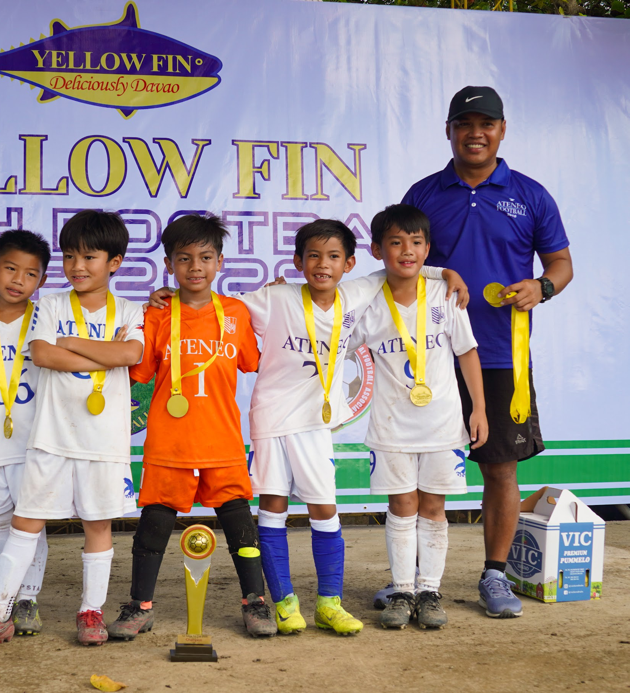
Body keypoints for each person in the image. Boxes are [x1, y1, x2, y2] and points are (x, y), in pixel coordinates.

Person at [147, 220, 467, 636]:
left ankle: (329, 604)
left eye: (334, 257)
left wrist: (445, 273)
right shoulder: (274, 298)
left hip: (316, 424)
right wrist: (169, 297)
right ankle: (283, 602)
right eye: (313, 256)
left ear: (349, 263)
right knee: (273, 509)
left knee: (324, 510)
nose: (323, 264)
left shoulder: (356, 292)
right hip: (271, 420)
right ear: (297, 261)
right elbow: (213, 302)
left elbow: (400, 267)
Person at [401, 86, 573, 618]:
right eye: (464, 123)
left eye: (486, 124)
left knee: (499, 468)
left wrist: (541, 288)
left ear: (502, 130)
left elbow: (561, 264)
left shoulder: (531, 194)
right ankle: (409, 582)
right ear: (448, 130)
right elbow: (402, 260)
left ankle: (494, 577)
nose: (475, 133)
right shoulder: (424, 193)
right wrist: (438, 271)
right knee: (415, 470)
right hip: (429, 354)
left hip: (500, 354)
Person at [0, 210, 143, 649]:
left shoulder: (131, 309)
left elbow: (131, 354)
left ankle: (90, 611)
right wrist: (103, 355)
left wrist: (72, 342)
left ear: (114, 262)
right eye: (70, 256)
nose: (77, 266)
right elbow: (43, 355)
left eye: (89, 257)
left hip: (104, 441)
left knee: (98, 525)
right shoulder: (53, 304)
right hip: (51, 438)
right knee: (24, 523)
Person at [107, 214, 276, 641]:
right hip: (170, 438)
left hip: (221, 437)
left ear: (220, 262)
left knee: (240, 522)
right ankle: (140, 605)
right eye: (184, 259)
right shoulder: (158, 313)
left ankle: (255, 601)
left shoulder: (237, 312)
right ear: (169, 264)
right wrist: (147, 309)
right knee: (154, 523)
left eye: (205, 257)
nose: (195, 267)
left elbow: (253, 361)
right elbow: (140, 371)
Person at [351, 204, 487, 629]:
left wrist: (478, 408)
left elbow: (467, 353)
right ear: (377, 250)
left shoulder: (446, 297)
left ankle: (429, 591)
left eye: (415, 242)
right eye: (395, 243)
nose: (406, 251)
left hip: (444, 425)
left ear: (427, 248)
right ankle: (402, 591)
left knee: (433, 508)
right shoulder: (369, 304)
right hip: (391, 428)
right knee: (401, 506)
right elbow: (334, 339)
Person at [0, 230, 51, 637]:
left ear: (42, 282)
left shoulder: (47, 318)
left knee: (30, 525)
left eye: (30, 274)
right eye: (10, 268)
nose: (18, 279)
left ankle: (27, 600)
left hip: (35, 443)